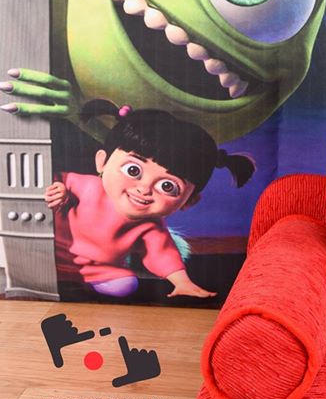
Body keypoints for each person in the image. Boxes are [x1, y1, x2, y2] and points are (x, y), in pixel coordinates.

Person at [45, 100, 255, 298]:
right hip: (53, 254)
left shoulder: (150, 226)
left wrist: (182, 282)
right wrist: (59, 189)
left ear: (188, 201)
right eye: (133, 170)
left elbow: (162, 254)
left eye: (167, 186)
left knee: (126, 285)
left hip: (99, 269)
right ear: (103, 162)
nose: (144, 189)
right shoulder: (85, 185)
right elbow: (53, 180)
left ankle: (83, 281)